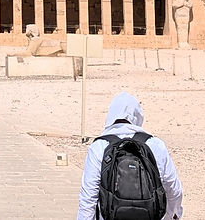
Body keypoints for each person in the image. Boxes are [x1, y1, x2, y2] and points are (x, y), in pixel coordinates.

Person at [77, 92, 183, 220]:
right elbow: (173, 189)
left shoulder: (99, 147)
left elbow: (88, 197)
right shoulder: (155, 145)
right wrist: (171, 215)